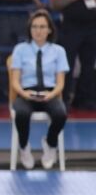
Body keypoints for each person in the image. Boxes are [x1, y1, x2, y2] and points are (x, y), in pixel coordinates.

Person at [9, 10, 69, 169]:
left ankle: (50, 144)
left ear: (49, 29)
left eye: (42, 27)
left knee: (61, 113)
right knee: (21, 113)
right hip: (26, 93)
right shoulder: (20, 49)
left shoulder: (59, 51)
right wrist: (23, 93)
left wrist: (52, 94)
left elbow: (60, 83)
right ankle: (24, 147)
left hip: (50, 93)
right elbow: (15, 81)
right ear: (30, 29)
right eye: (34, 27)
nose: (38, 30)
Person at [50, 0, 96, 109]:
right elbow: (54, 3)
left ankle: (85, 99)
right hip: (71, 27)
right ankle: (64, 97)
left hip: (91, 27)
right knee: (67, 63)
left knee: (89, 64)